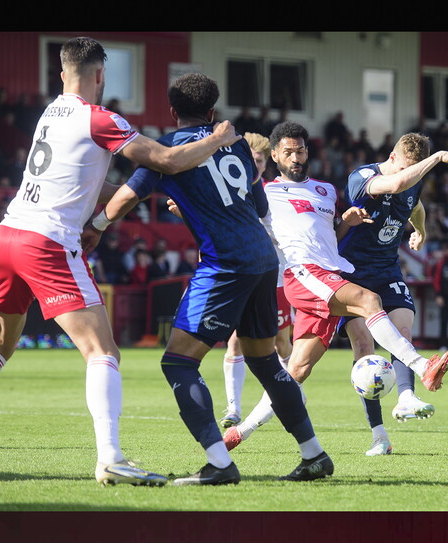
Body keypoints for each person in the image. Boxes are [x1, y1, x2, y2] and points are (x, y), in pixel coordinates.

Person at [0, 37, 241, 487]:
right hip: (46, 243)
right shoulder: (100, 118)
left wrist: (110, 210)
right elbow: (167, 160)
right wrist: (218, 139)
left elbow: (83, 181)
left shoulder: (48, 114)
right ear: (100, 75)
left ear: (61, 73)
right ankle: (111, 457)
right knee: (104, 352)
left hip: (5, 237)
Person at [81, 73, 333, 485]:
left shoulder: (168, 148)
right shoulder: (232, 142)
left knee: (178, 362)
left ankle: (220, 464)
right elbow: (255, 201)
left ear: (173, 111)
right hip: (262, 257)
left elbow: (130, 193)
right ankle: (314, 454)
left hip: (225, 262)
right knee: (265, 361)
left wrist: (97, 225)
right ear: (212, 112)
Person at [223, 123, 448, 455]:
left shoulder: (325, 191)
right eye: (288, 151)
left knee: (297, 370)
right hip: (303, 274)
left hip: (329, 272)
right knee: (368, 299)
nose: (296, 156)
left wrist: (345, 223)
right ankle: (422, 367)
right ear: (275, 155)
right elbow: (228, 215)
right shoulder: (265, 193)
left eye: (301, 150)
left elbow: (331, 240)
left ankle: (240, 432)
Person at [215, 132, 294, 430]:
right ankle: (233, 409)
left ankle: (288, 391)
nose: (252, 165)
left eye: (257, 160)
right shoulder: (229, 190)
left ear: (265, 162)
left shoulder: (274, 193)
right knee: (235, 340)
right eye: (249, 159)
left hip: (275, 276)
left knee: (280, 341)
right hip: (243, 274)